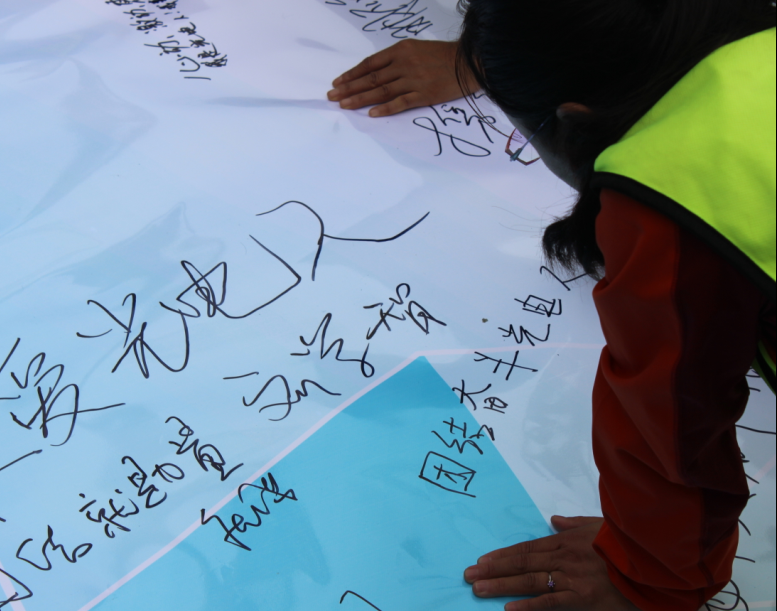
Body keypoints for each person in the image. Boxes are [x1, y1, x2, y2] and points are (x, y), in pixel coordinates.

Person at [328, 1, 776, 610]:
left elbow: (669, 422)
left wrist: (645, 578)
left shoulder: (673, 187)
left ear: (575, 119)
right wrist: (489, 59)